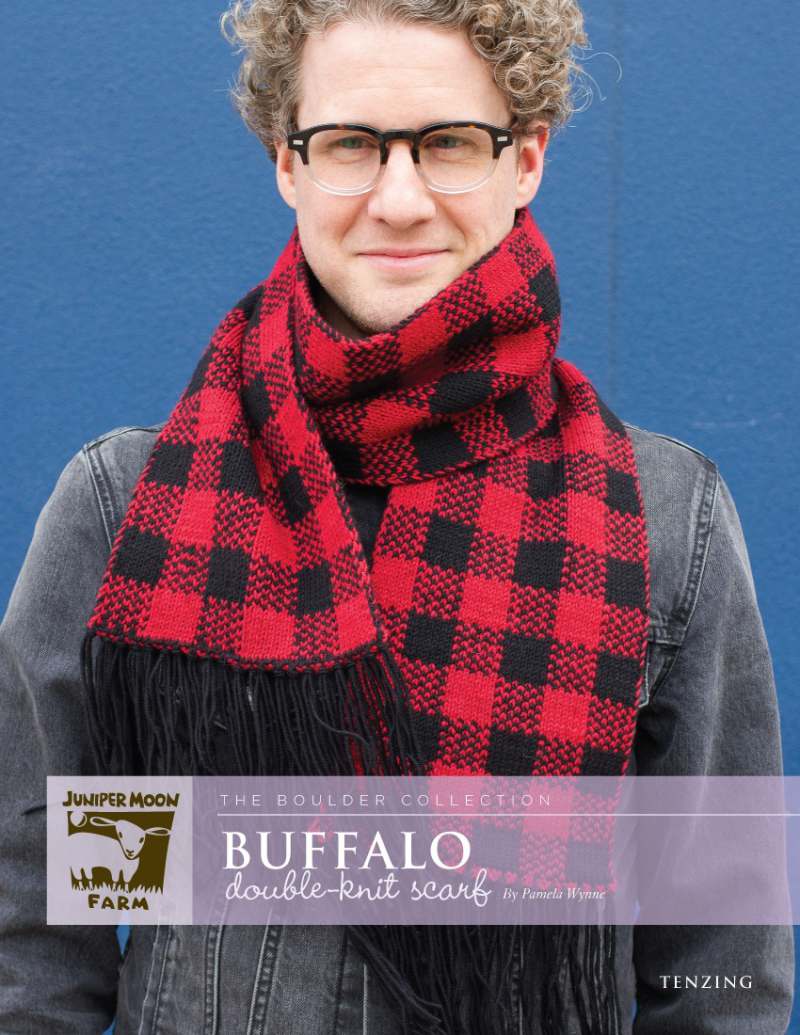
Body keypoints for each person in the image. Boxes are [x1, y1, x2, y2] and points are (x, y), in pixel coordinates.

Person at [0, 1, 793, 1032]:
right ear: (288, 165)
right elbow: (39, 941)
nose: (400, 200)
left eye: (450, 143)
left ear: (525, 162)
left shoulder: (667, 515)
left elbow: (720, 967)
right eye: (349, 145)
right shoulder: (132, 510)